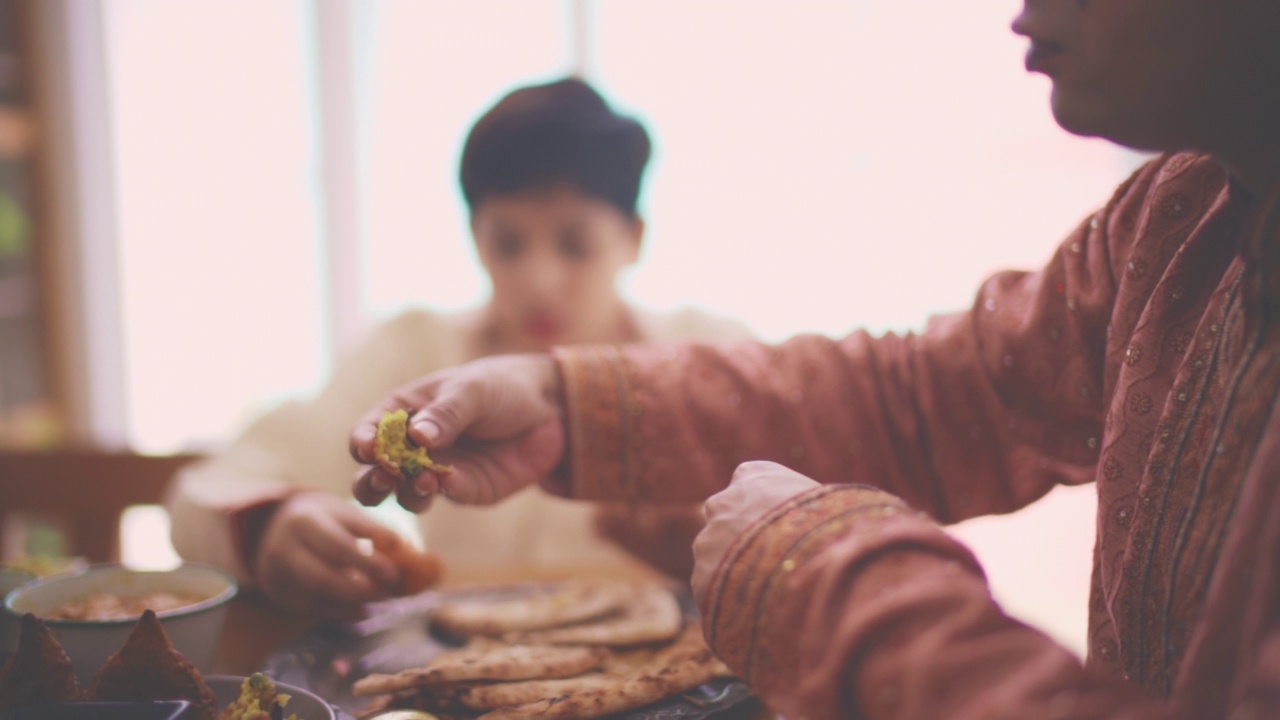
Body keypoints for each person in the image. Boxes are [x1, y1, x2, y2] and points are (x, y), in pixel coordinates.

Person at [347, 1, 1280, 717]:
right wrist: (563, 399)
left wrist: (813, 571)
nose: (1022, 14)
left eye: (573, 240)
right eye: (506, 240)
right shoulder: (1185, 207)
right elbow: (941, 399)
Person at [166, 77, 751, 619]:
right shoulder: (416, 350)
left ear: (634, 238)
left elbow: (824, 516)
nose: (538, 279)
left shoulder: (706, 352)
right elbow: (200, 496)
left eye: (575, 245)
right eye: (508, 243)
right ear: (474, 236)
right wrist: (271, 524)